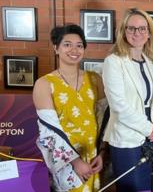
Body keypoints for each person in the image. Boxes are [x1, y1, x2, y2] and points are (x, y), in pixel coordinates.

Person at [33, 24, 105, 191]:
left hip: (94, 157)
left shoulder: (96, 79)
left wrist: (103, 153)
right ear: (56, 48)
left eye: (79, 45)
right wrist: (74, 161)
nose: (74, 49)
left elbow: (104, 121)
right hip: (66, 159)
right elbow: (48, 131)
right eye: (67, 44)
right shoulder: (44, 84)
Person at [102, 8, 153, 191]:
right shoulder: (113, 61)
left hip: (152, 137)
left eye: (142, 29)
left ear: (149, 33)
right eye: (131, 28)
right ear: (123, 31)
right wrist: (149, 129)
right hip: (127, 139)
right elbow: (119, 107)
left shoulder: (151, 61)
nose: (137, 33)